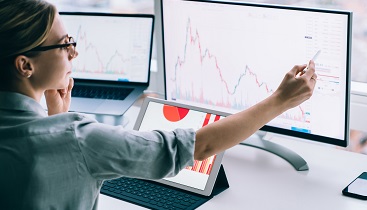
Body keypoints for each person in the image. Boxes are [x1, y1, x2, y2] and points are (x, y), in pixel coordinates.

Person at [0, 0, 317, 209]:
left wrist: (57, 119)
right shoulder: (78, 140)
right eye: (64, 45)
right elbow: (199, 146)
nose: (74, 53)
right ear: (25, 66)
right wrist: (280, 100)